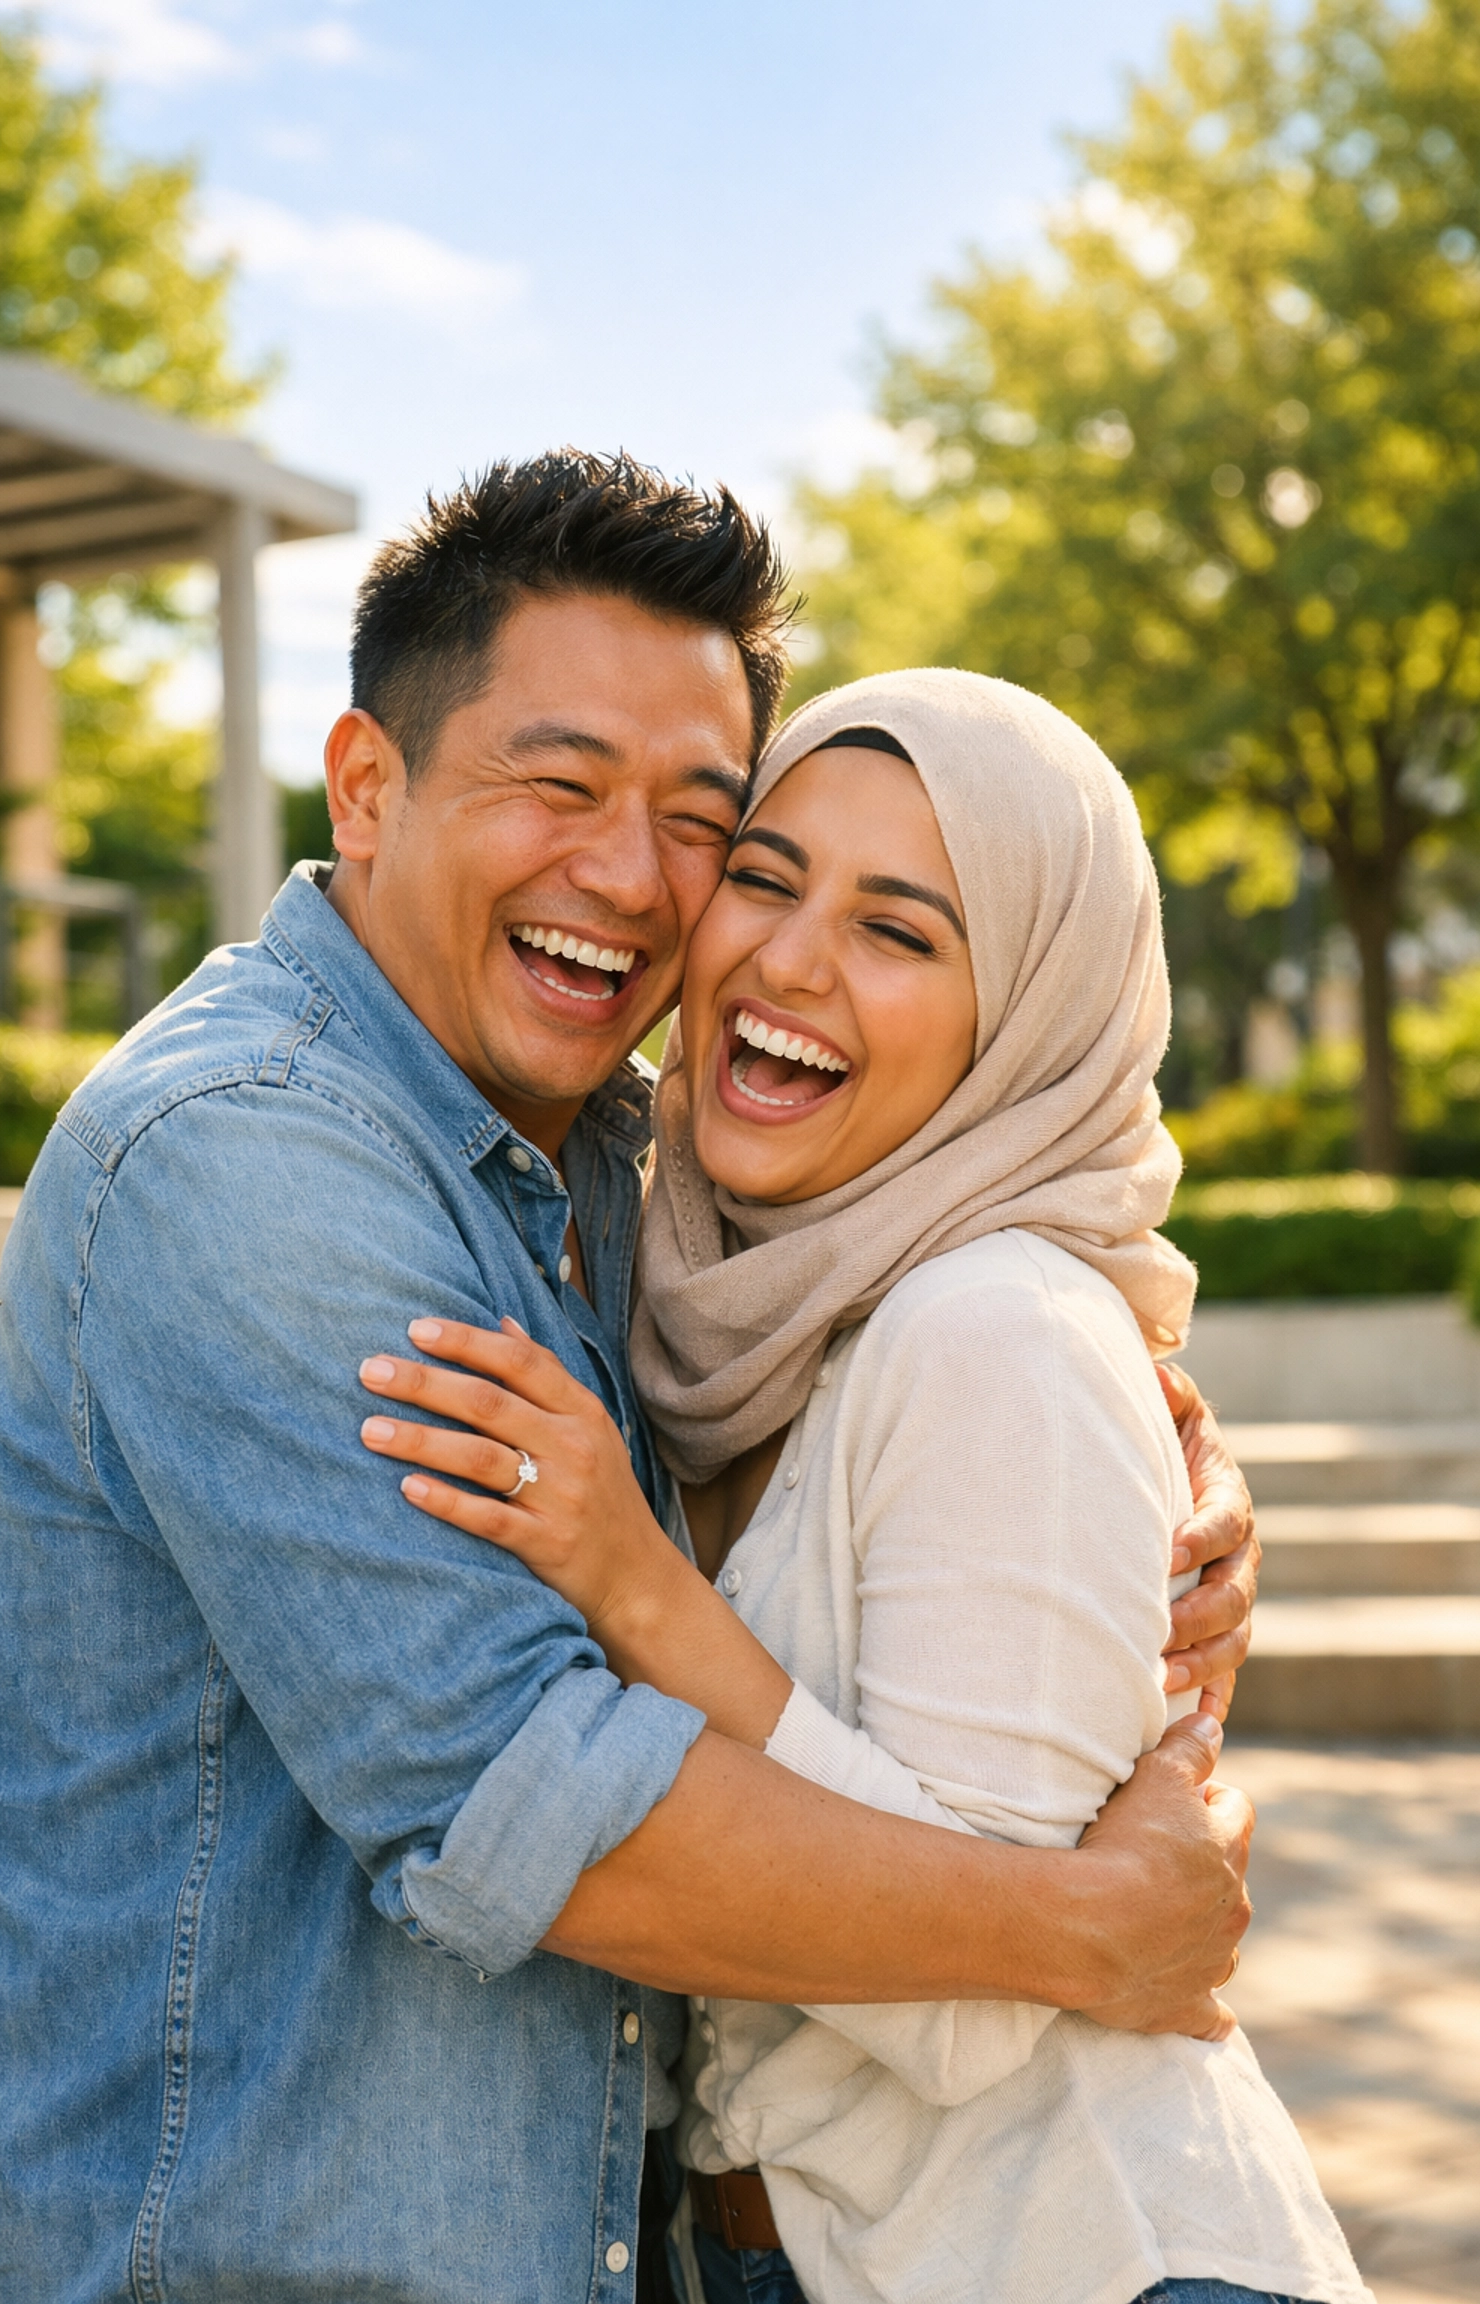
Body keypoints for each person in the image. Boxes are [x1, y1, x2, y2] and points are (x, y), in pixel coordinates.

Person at [0, 457, 1255, 2304]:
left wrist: (1157, 1486)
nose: (631, 880)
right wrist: (1084, 1928)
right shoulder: (249, 1154)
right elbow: (529, 1806)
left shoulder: (649, 1181)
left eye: (701, 821)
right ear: (367, 785)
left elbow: (950, 1376)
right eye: (558, 787)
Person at [357, 669, 1368, 2304]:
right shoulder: (720, 1307)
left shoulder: (997, 1329)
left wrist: (639, 1590)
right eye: (764, 879)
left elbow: (972, 2004)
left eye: (899, 932)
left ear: (1021, 1021)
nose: (789, 961)